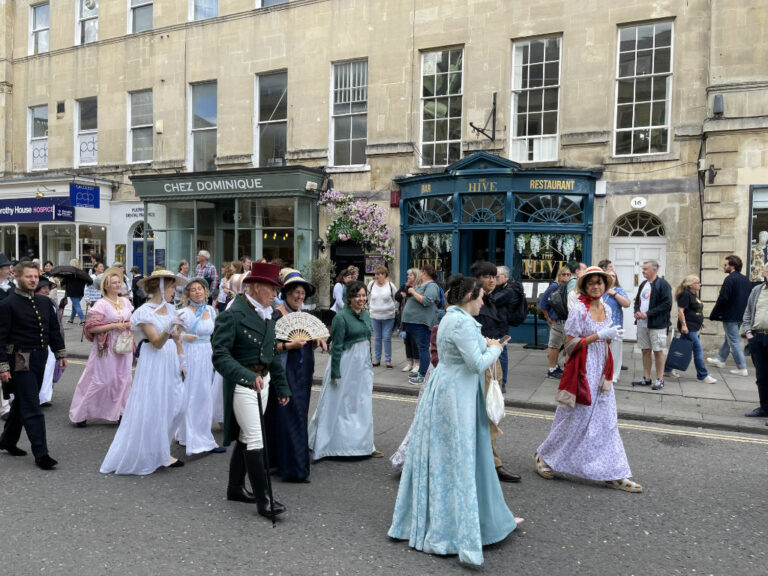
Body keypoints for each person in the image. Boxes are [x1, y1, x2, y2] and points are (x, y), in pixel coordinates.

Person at [388, 274, 521, 566]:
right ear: (470, 297)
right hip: (456, 396)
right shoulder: (461, 322)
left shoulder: (452, 316)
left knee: (451, 458)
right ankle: (452, 530)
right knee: (457, 460)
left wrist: (484, 345)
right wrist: (496, 348)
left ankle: (480, 519)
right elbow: (476, 364)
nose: (484, 299)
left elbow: (465, 356)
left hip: (450, 389)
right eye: (481, 296)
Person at [533, 266, 643, 493]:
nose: (596, 286)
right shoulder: (579, 311)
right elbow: (570, 345)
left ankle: (613, 473)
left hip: (602, 370)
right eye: (591, 282)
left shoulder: (608, 309)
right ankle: (543, 455)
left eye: (600, 283)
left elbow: (607, 341)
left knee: (607, 422)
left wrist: (610, 338)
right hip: (582, 371)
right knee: (574, 421)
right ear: (584, 286)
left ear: (606, 286)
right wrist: (598, 336)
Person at [212, 263, 291, 517]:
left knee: (247, 437)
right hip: (243, 384)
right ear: (256, 287)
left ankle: (235, 487)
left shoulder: (267, 313)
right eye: (271, 288)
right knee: (256, 438)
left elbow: (271, 355)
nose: (275, 294)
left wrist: (281, 385)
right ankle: (264, 500)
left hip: (264, 381)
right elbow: (220, 356)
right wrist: (247, 376)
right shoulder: (232, 314)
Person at [100, 270, 188, 475]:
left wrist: (182, 352)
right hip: (154, 360)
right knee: (153, 405)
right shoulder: (144, 312)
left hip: (170, 359)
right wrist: (170, 327)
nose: (174, 291)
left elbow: (175, 337)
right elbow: (156, 342)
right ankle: (153, 453)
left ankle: (161, 449)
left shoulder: (171, 309)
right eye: (172, 287)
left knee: (176, 404)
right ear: (161, 287)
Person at [0, 261, 67, 470]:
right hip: (19, 358)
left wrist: (60, 353)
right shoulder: (8, 304)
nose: (33, 280)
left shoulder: (44, 302)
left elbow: (53, 330)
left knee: (22, 401)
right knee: (32, 405)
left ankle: (7, 441)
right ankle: (41, 454)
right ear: (17, 278)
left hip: (40, 358)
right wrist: (3, 366)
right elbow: (0, 338)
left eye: (35, 277)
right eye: (28, 276)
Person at [265, 269, 327, 482]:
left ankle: (278, 460)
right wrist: (290, 345)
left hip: (304, 371)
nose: (300, 297)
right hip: (286, 370)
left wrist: (318, 339)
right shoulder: (276, 315)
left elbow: (310, 334)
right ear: (287, 293)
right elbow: (269, 348)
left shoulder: (303, 316)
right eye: (296, 293)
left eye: (303, 293)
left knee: (298, 414)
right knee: (288, 414)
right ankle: (295, 468)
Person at [308, 281, 381, 460]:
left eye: (364, 295)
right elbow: (337, 347)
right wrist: (335, 373)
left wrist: (369, 365)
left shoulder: (365, 315)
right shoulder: (340, 318)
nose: (361, 299)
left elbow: (366, 342)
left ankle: (363, 445)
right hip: (345, 366)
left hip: (361, 368)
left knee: (360, 404)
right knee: (339, 404)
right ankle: (331, 445)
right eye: (357, 296)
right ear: (349, 297)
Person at [470, 260, 520, 483]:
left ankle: (491, 462)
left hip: (494, 360)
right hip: (480, 363)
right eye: (486, 276)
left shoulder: (494, 299)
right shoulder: (472, 302)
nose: (491, 279)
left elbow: (514, 320)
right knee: (484, 414)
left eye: (494, 276)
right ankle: (492, 464)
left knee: (491, 412)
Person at [69, 268, 135, 427]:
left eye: (119, 282)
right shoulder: (101, 304)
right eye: (114, 283)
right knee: (102, 380)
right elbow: (90, 328)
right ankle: (81, 413)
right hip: (106, 347)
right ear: (105, 286)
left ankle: (121, 412)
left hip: (124, 345)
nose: (118, 285)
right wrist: (113, 325)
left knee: (123, 380)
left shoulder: (125, 302)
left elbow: (133, 321)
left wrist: (128, 324)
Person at [175, 278, 224, 456]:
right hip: (191, 354)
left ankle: (197, 434)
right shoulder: (183, 313)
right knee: (191, 395)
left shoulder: (211, 311)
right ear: (188, 294)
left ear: (205, 291)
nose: (197, 292)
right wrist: (182, 339)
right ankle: (193, 437)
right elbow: (171, 334)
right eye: (193, 290)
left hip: (206, 354)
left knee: (204, 395)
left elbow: (215, 335)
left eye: (200, 289)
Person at [665, 275, 717, 384]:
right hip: (689, 327)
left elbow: (695, 309)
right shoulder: (685, 294)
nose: (700, 284)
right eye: (697, 282)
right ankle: (702, 375)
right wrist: (684, 325)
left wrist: (700, 321)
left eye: (699, 282)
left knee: (679, 348)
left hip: (693, 326)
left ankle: (667, 369)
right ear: (690, 285)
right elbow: (680, 311)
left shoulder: (694, 295)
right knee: (698, 349)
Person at [706, 255, 752, 377]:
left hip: (730, 315)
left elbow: (723, 298)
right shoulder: (745, 279)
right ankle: (720, 359)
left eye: (726, 265)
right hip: (741, 315)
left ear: (733, 266)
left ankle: (742, 367)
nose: (724, 266)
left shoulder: (730, 279)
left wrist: (714, 313)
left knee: (733, 340)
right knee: (729, 338)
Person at [631, 260, 672, 391]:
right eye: (643, 269)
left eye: (645, 269)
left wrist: (648, 314)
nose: (642, 271)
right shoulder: (643, 284)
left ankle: (660, 379)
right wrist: (637, 311)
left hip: (657, 324)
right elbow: (637, 300)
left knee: (658, 351)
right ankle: (646, 378)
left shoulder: (663, 284)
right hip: (642, 324)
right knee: (645, 350)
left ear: (654, 270)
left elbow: (667, 305)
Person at [401, 264, 441, 385]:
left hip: (421, 323)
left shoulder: (432, 286)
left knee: (423, 348)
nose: (420, 274)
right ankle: (421, 372)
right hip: (413, 322)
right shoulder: (423, 285)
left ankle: (423, 375)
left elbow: (427, 301)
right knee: (420, 348)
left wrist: (413, 291)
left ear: (425, 273)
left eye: (422, 272)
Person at [740, 263, 768, 420]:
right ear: (764, 273)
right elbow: (748, 313)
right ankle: (764, 408)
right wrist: (748, 333)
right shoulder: (757, 290)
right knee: (762, 376)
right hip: (757, 337)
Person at [491, 265, 526, 392]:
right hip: (498, 325)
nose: (493, 279)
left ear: (505, 277)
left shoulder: (509, 290)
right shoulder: (502, 287)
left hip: (502, 327)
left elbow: (493, 300)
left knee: (502, 353)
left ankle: (502, 383)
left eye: (496, 277)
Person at [539, 266, 572, 379]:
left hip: (566, 321)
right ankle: (552, 369)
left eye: (568, 274)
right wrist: (547, 317)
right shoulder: (554, 286)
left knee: (566, 346)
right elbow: (543, 303)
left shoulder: (569, 287)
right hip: (557, 321)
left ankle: (559, 367)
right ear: (559, 275)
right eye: (564, 274)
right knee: (554, 346)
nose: (566, 277)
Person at [34, 276, 61, 407]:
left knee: (48, 369)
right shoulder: (31, 303)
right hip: (36, 342)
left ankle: (43, 398)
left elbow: (56, 325)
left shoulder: (51, 302)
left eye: (47, 288)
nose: (46, 291)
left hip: (50, 342)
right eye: (43, 288)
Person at [602, 269, 630, 384]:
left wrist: (614, 294)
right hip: (601, 325)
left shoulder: (619, 290)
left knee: (615, 352)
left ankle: (613, 375)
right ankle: (602, 373)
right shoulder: (600, 289)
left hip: (615, 325)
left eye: (614, 275)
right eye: (609, 275)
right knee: (602, 352)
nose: (612, 277)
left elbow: (627, 303)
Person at [367, 265, 398, 368]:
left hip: (388, 316)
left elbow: (396, 297)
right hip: (374, 315)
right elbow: (368, 296)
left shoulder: (390, 285)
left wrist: (392, 307)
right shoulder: (371, 284)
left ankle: (388, 361)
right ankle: (377, 359)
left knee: (387, 338)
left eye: (379, 274)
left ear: (384, 275)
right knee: (377, 338)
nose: (376, 276)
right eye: (375, 274)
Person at [396, 268, 421, 374]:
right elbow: (397, 296)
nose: (408, 277)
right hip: (405, 318)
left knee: (415, 342)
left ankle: (417, 364)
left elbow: (415, 298)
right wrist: (402, 296)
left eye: (410, 275)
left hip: (415, 318)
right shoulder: (405, 286)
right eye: (408, 275)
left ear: (416, 276)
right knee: (407, 342)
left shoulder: (419, 287)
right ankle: (409, 363)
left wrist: (408, 295)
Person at [0, 253, 14, 420]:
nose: (8, 270)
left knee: (7, 370)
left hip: (10, 333)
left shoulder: (11, 286)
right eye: (5, 268)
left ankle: (7, 403)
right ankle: (4, 408)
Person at [64, 258, 89, 325]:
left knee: (77, 305)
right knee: (74, 305)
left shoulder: (69, 273)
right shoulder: (82, 272)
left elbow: (65, 282)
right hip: (81, 292)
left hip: (72, 292)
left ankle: (82, 320)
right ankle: (71, 319)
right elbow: (86, 280)